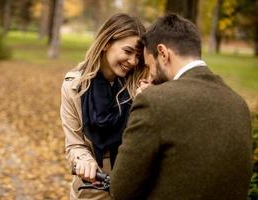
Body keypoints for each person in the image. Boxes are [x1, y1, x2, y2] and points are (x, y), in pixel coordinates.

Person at [110, 13, 253, 200]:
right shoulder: (238, 104)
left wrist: (146, 101)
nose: (150, 75)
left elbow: (121, 190)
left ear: (163, 53)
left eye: (149, 65)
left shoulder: (153, 102)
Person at [60, 13, 148, 200]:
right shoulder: (74, 87)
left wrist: (144, 105)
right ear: (107, 43)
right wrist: (84, 160)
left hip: (132, 189)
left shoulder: (142, 87)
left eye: (138, 56)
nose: (133, 62)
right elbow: (74, 144)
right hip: (91, 190)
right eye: (127, 51)